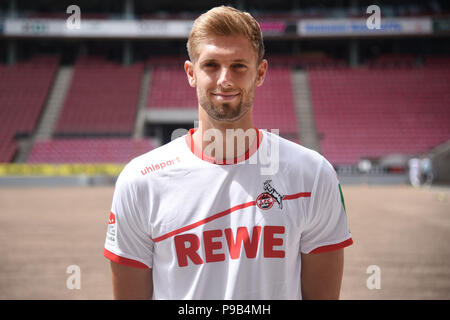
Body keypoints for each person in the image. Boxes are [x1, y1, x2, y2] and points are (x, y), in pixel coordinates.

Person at [104, 5, 353, 300]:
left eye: (238, 66)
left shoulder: (312, 174)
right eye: (211, 65)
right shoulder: (140, 180)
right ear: (190, 73)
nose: (225, 79)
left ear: (260, 73)